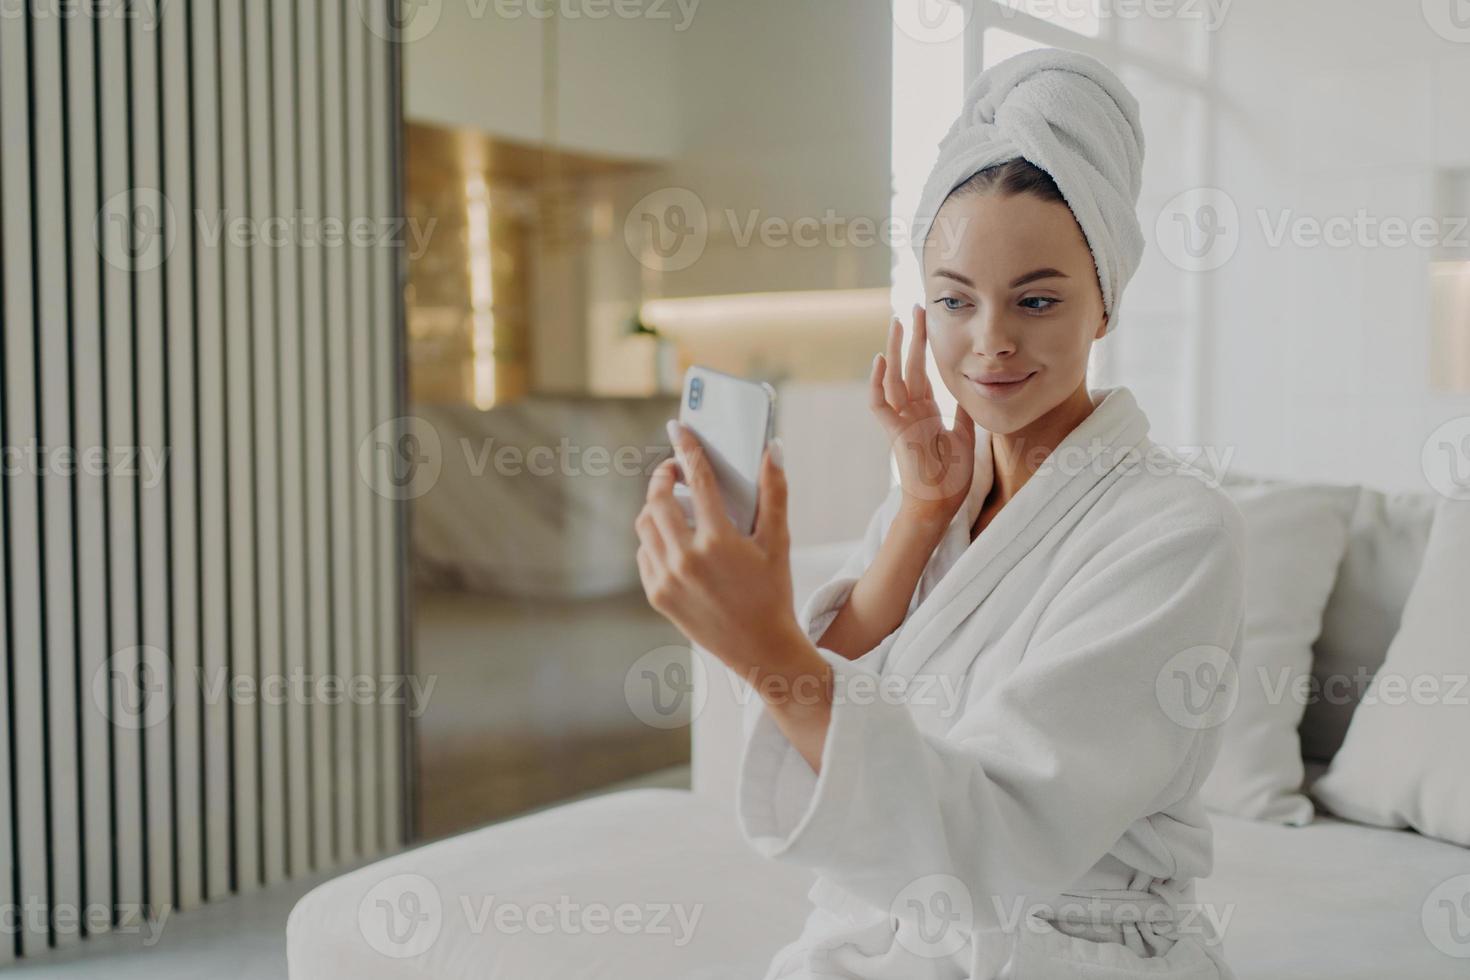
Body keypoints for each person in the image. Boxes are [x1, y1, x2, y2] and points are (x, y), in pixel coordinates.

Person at [634, 48, 1246, 980]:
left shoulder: (1176, 532)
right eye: (955, 301)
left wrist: (763, 647)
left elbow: (994, 840)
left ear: (1105, 306)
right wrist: (920, 514)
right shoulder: (939, 496)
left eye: (1037, 300)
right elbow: (842, 690)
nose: (991, 341)